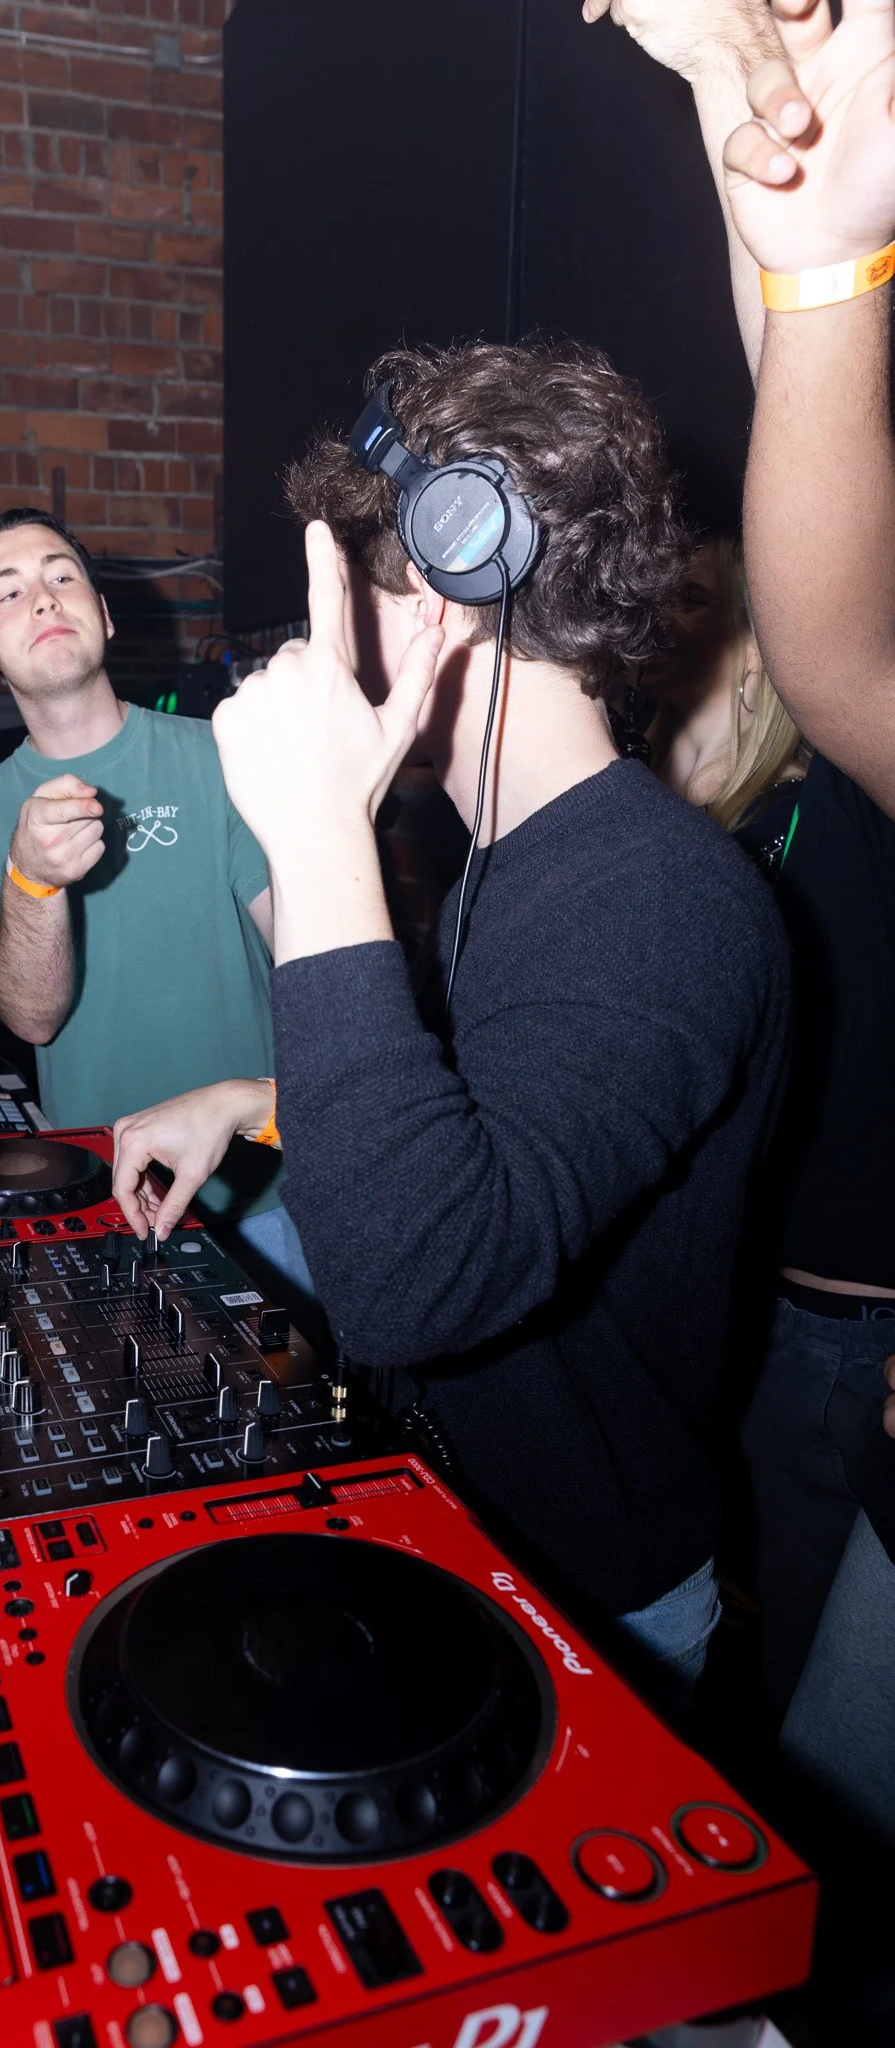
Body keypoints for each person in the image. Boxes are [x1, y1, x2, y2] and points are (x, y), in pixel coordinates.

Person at [199, 338, 790, 1703]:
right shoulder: (508, 861)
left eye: (356, 582)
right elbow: (479, 1121)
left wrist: (321, 834)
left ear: (445, 595)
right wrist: (260, 1095)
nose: (326, 628)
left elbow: (420, 1279)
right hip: (480, 1545)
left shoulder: (662, 901)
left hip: (593, 1606)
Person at [588, 0, 895, 1748]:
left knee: (821, 1749)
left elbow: (809, 417)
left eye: (725, 621)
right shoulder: (698, 830)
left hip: (863, 1332)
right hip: (768, 1312)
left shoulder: (843, 792)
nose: (685, 649)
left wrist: (806, 243)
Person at [0, 507, 311, 1306]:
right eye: (7, 593)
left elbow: (311, 959)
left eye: (61, 575)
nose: (41, 598)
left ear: (102, 615)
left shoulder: (220, 755)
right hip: (106, 1203)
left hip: (273, 1195)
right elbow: (31, 1018)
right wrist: (31, 880)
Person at [638, 535, 807, 863]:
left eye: (689, 599)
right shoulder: (629, 776)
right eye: (658, 597)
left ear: (757, 650)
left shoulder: (792, 814)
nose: (654, 616)